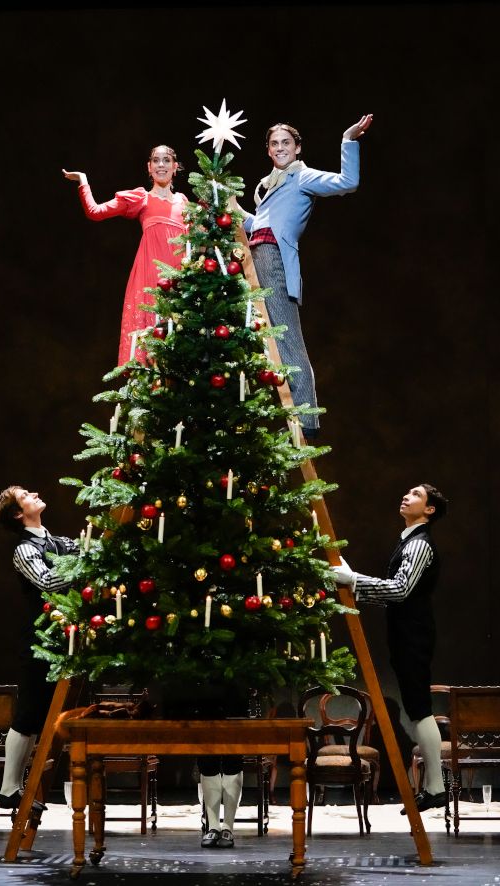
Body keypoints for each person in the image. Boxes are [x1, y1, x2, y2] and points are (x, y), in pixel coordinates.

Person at [238, 115, 373, 438]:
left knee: (286, 338)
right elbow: (257, 226)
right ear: (268, 151)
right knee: (257, 336)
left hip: (274, 260)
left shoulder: (302, 177)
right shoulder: (270, 185)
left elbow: (347, 182)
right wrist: (230, 207)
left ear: (297, 148)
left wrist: (348, 140)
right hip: (254, 257)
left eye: (286, 142)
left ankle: (307, 421)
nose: (280, 148)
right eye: (274, 144)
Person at [331, 483, 449, 813]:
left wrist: (352, 581)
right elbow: (394, 595)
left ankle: (436, 786)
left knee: (419, 707)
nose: (406, 497)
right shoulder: (408, 541)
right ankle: (432, 786)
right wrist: (352, 581)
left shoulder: (420, 544)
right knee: (415, 709)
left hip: (414, 634)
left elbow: (399, 590)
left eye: (415, 495)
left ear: (429, 510)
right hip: (405, 632)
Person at [63, 145, 188, 365]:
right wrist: (83, 180)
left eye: (166, 160)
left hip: (180, 276)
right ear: (149, 167)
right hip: (152, 274)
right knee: (151, 340)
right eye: (156, 161)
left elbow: (200, 238)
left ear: (175, 167)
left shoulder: (184, 202)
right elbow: (95, 212)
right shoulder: (141, 198)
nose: (161, 165)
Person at [0, 486, 78, 811]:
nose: (35, 493)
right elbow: (49, 581)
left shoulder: (58, 542)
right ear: (18, 513)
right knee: (29, 711)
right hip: (39, 640)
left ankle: (18, 786)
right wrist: (80, 567)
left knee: (44, 715)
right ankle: (9, 788)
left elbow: (87, 552)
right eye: (26, 495)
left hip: (63, 637)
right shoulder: (24, 549)